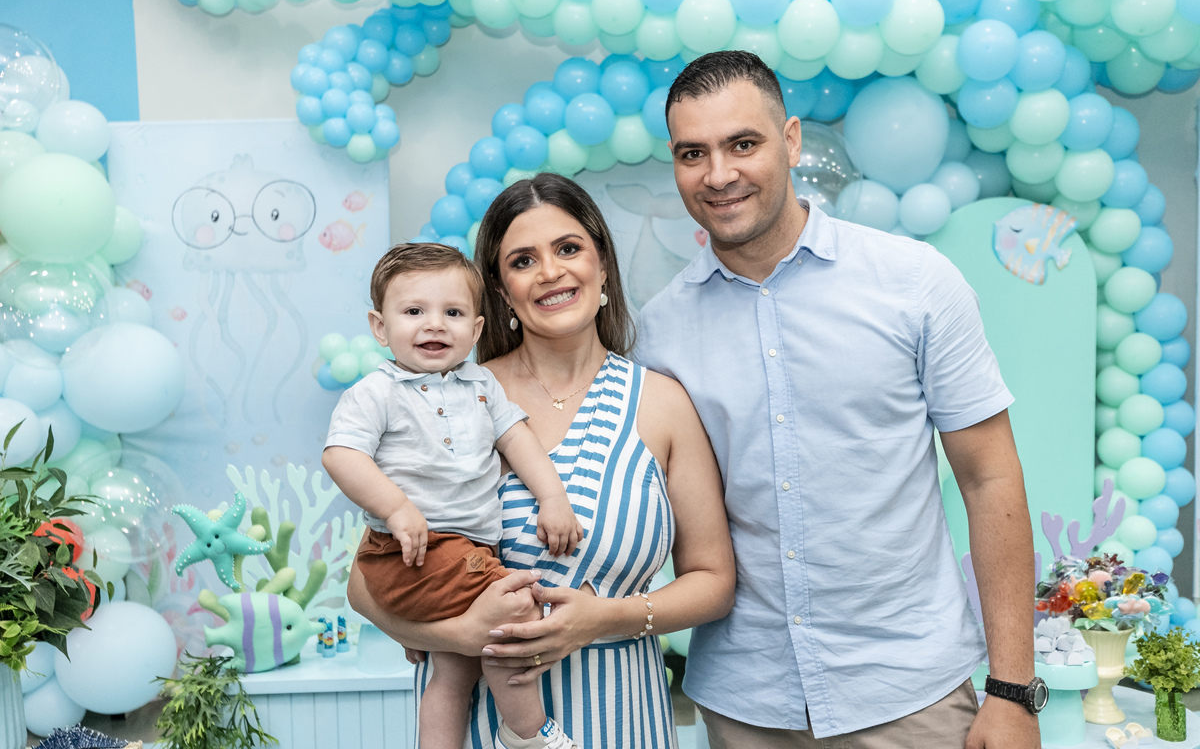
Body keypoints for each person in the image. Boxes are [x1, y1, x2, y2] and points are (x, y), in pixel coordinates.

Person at [635, 50, 1039, 749]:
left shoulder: (914, 282)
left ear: (791, 140)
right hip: (744, 703)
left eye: (743, 144)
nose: (719, 174)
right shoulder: (659, 331)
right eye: (692, 153)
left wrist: (1012, 690)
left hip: (909, 695)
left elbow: (990, 477)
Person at [346, 173, 736, 749]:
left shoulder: (664, 404)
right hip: (476, 722)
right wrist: (460, 635)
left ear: (603, 265)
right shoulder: (447, 396)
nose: (550, 272)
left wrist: (605, 619)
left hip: (621, 715)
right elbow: (365, 582)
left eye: (568, 248)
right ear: (501, 292)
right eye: (523, 260)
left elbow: (713, 582)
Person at [323, 242, 585, 749]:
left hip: (466, 550)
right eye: (413, 312)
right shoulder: (377, 391)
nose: (434, 325)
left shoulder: (481, 384)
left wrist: (553, 499)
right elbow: (341, 455)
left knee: (454, 671)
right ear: (380, 327)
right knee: (517, 608)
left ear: (477, 328)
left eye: (453, 313)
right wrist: (397, 508)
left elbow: (518, 440)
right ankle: (529, 733)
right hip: (418, 550)